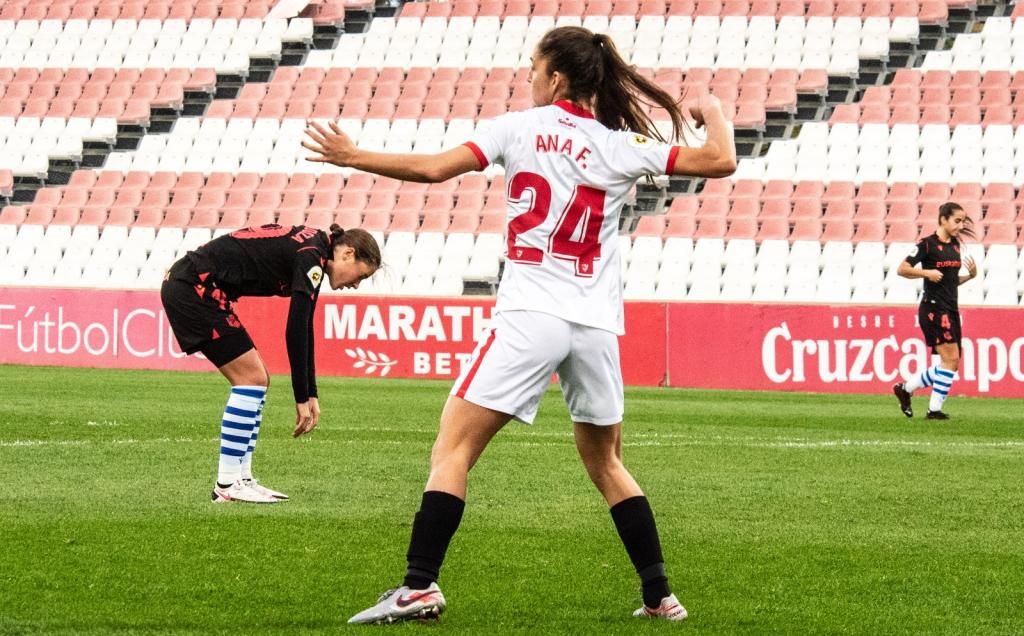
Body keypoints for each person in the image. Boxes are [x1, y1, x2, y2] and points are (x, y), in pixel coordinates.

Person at [303, 25, 735, 623]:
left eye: (534, 67)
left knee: (452, 450)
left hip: (531, 313)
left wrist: (355, 156)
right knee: (607, 462)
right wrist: (711, 110)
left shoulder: (518, 128)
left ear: (555, 77)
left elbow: (434, 170)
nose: (528, 76)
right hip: (595, 325)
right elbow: (721, 159)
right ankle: (660, 596)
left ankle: (419, 585)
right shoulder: (618, 143)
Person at [160, 223, 380, 503]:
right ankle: (227, 485)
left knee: (258, 378)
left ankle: (242, 479)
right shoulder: (312, 254)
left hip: (195, 284)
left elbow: (305, 328)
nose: (356, 284)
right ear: (348, 253)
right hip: (194, 287)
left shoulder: (314, 250)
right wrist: (301, 398)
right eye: (361, 275)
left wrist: (310, 393)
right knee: (251, 379)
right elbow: (295, 328)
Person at [893, 202, 977, 420]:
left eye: (962, 221)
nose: (960, 225)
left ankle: (906, 388)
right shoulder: (927, 245)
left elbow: (948, 281)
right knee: (951, 359)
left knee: (952, 361)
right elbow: (902, 269)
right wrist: (926, 273)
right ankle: (934, 410)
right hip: (933, 309)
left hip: (950, 308)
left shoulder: (955, 246)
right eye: (957, 220)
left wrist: (969, 276)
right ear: (943, 219)